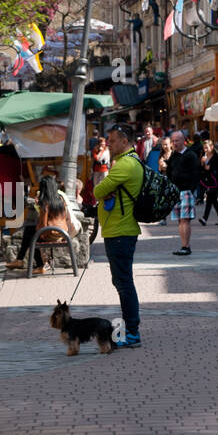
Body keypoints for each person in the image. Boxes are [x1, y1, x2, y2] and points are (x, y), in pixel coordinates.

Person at [93, 123, 142, 348]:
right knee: (121, 281)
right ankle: (130, 329)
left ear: (124, 141)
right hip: (117, 230)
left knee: (124, 282)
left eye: (112, 141)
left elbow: (97, 190)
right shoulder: (126, 163)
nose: (109, 145)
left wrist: (104, 190)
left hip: (121, 232)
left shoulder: (126, 164)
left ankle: (132, 332)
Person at [165, 130, 200, 256]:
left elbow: (196, 174)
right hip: (176, 191)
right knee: (180, 220)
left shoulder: (191, 155)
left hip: (186, 191)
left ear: (183, 140)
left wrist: (191, 190)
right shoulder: (173, 156)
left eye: (177, 140)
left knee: (185, 220)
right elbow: (169, 172)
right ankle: (184, 245)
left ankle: (186, 246)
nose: (174, 143)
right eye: (173, 141)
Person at [197, 138, 218, 225]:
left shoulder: (216, 157)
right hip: (207, 181)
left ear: (212, 147)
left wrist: (211, 168)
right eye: (204, 148)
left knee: (210, 199)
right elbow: (200, 169)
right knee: (213, 200)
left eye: (207, 148)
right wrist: (202, 163)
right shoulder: (203, 156)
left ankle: (205, 218)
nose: (205, 150)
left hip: (215, 182)